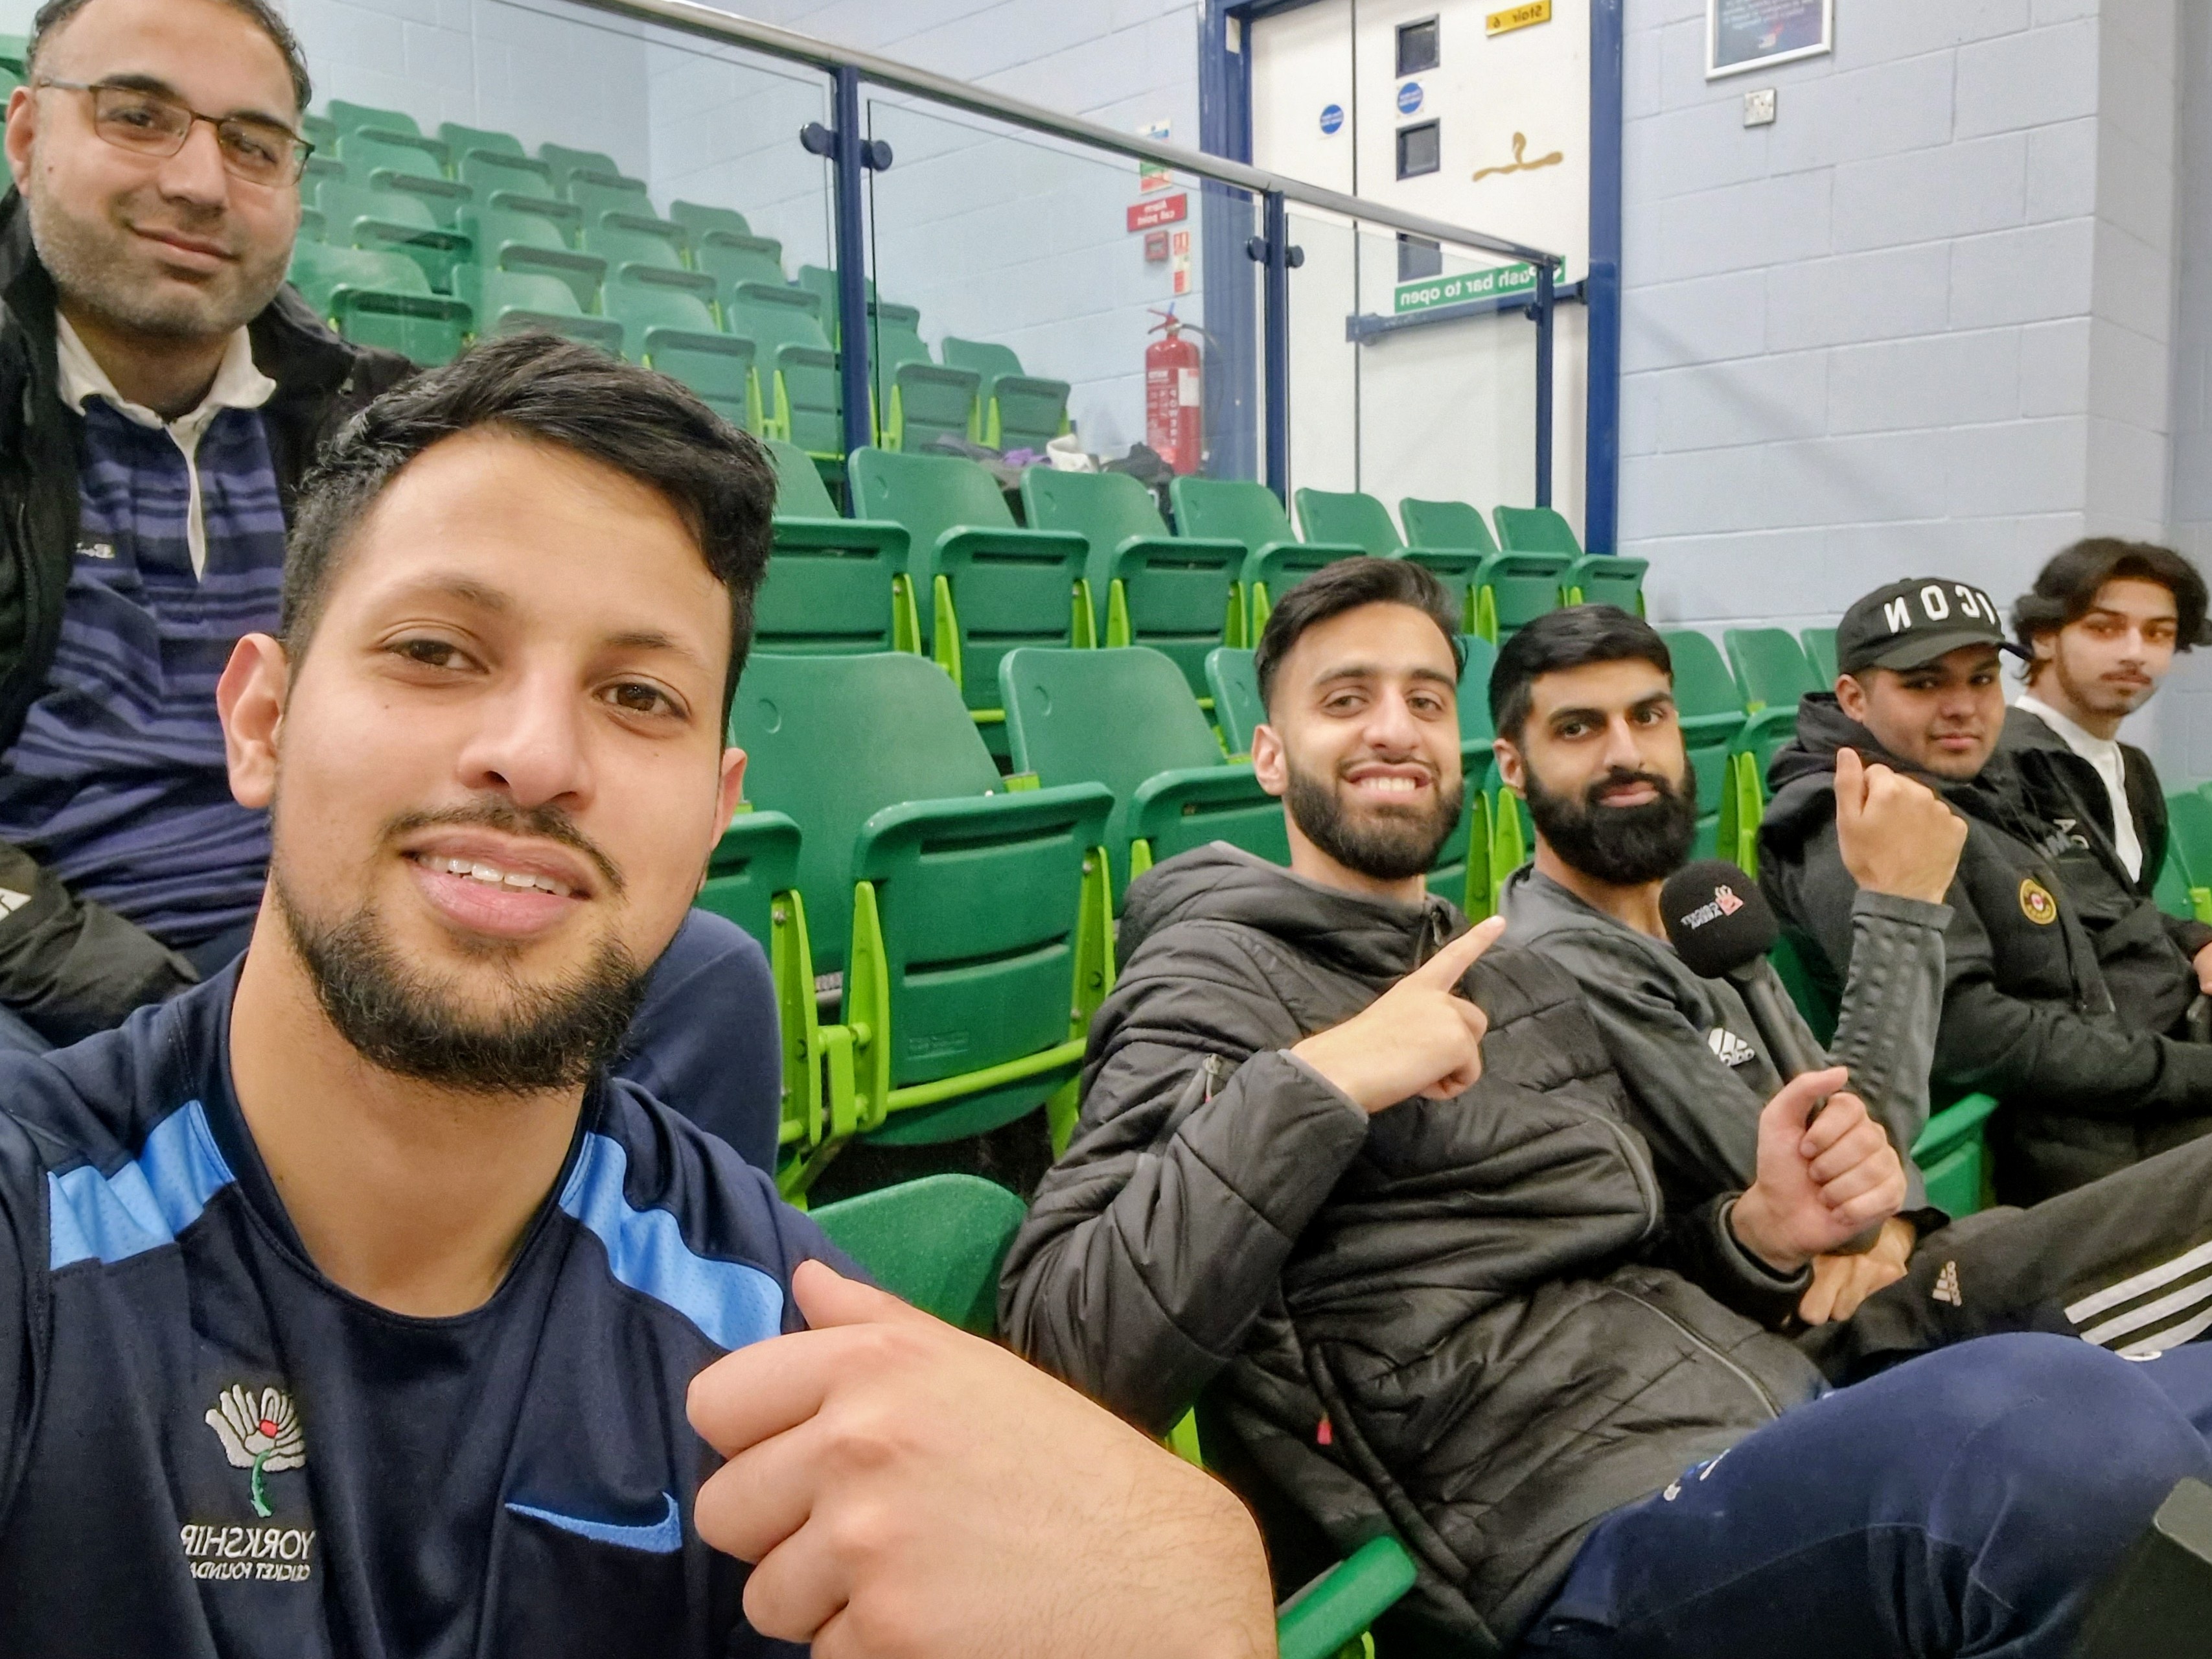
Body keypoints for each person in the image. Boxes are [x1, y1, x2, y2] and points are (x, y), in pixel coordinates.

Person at [0, 333, 1277, 1658]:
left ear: (716, 811)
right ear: (260, 722)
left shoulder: (778, 1341)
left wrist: (1192, 1602)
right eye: (438, 649)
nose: (539, 755)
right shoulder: (29, 1234)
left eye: (636, 693)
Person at [1002, 557, 2212, 1658]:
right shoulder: (1212, 973)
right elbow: (1064, 1357)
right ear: (1269, 756)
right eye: (1343, 700)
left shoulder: (1500, 972)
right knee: (2058, 1436)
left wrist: (1759, 1233)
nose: (1393, 729)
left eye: (1424, 700)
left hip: (1755, 1425)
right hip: (1572, 1544)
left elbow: (1644, 1264)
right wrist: (1320, 1079)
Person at [0, 0, 781, 1166]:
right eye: (139, 117)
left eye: (254, 144)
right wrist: (144, 993)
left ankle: (631, 1331)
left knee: (707, 973)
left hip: (334, 904)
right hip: (48, 961)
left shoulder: (369, 417)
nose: (202, 182)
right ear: (27, 135)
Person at [1494, 605, 1962, 1324]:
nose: (1627, 753)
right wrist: (1901, 906)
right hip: (1779, 1342)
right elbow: (1834, 1194)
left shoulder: (1703, 908)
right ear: (1512, 767)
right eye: (1578, 728)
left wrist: (1897, 1228)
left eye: (1649, 716)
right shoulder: (1559, 963)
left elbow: (1849, 1125)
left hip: (1876, 1290)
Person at [1762, 577, 2212, 1202]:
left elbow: (2099, 898)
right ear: (1854, 698)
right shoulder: (1853, 819)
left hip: (2145, 1073)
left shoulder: (1986, 775)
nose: (1963, 706)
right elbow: (1970, 1033)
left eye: (1980, 678)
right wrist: (2190, 1073)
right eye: (1924, 683)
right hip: (2083, 1153)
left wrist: (2194, 939)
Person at [2003, 537, 2211, 903]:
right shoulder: (2001, 761)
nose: (2136, 653)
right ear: (2044, 637)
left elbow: (2128, 910)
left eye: (2158, 633)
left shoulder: (2134, 769)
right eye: (2104, 628)